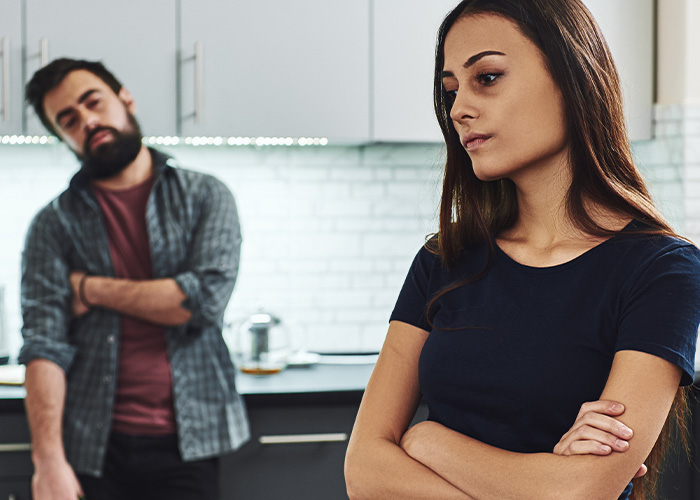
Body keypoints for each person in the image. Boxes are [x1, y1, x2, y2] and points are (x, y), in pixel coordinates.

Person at [344, 1, 700, 499]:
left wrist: (428, 441)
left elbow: (582, 490)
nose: (458, 109)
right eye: (451, 91)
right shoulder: (441, 261)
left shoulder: (662, 271)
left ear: (573, 75)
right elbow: (364, 471)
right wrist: (541, 482)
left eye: (486, 77)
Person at [19, 58, 249, 500]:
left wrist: (89, 288)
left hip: (191, 441)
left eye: (93, 102)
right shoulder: (51, 225)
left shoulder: (205, 195)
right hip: (91, 446)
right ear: (62, 138)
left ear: (125, 99)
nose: (87, 120)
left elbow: (199, 304)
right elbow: (44, 345)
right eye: (68, 119)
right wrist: (48, 463)